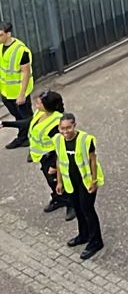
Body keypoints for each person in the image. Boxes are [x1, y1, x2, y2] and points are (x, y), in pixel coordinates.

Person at [55, 112, 102, 259]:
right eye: (62, 128)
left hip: (86, 181)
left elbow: (92, 161)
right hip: (71, 181)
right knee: (78, 209)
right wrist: (60, 181)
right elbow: (58, 160)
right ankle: (84, 235)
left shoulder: (85, 140)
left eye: (68, 128)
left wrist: (94, 182)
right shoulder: (57, 140)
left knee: (87, 210)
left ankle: (96, 241)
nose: (65, 132)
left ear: (74, 126)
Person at [27, 88, 65, 216]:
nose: (35, 106)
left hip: (52, 157)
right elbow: (30, 124)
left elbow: (61, 148)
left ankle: (70, 203)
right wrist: (7, 124)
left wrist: (54, 166)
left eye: (38, 103)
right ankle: (58, 198)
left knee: (60, 180)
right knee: (51, 181)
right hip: (43, 156)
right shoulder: (40, 113)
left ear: (46, 106)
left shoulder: (56, 122)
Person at [0, 22, 31, 147]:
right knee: (17, 116)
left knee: (27, 119)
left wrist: (22, 94)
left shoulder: (21, 50)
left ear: (8, 34)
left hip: (19, 93)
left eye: (0, 35)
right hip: (6, 92)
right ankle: (22, 137)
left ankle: (35, 143)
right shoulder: (1, 47)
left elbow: (26, 73)